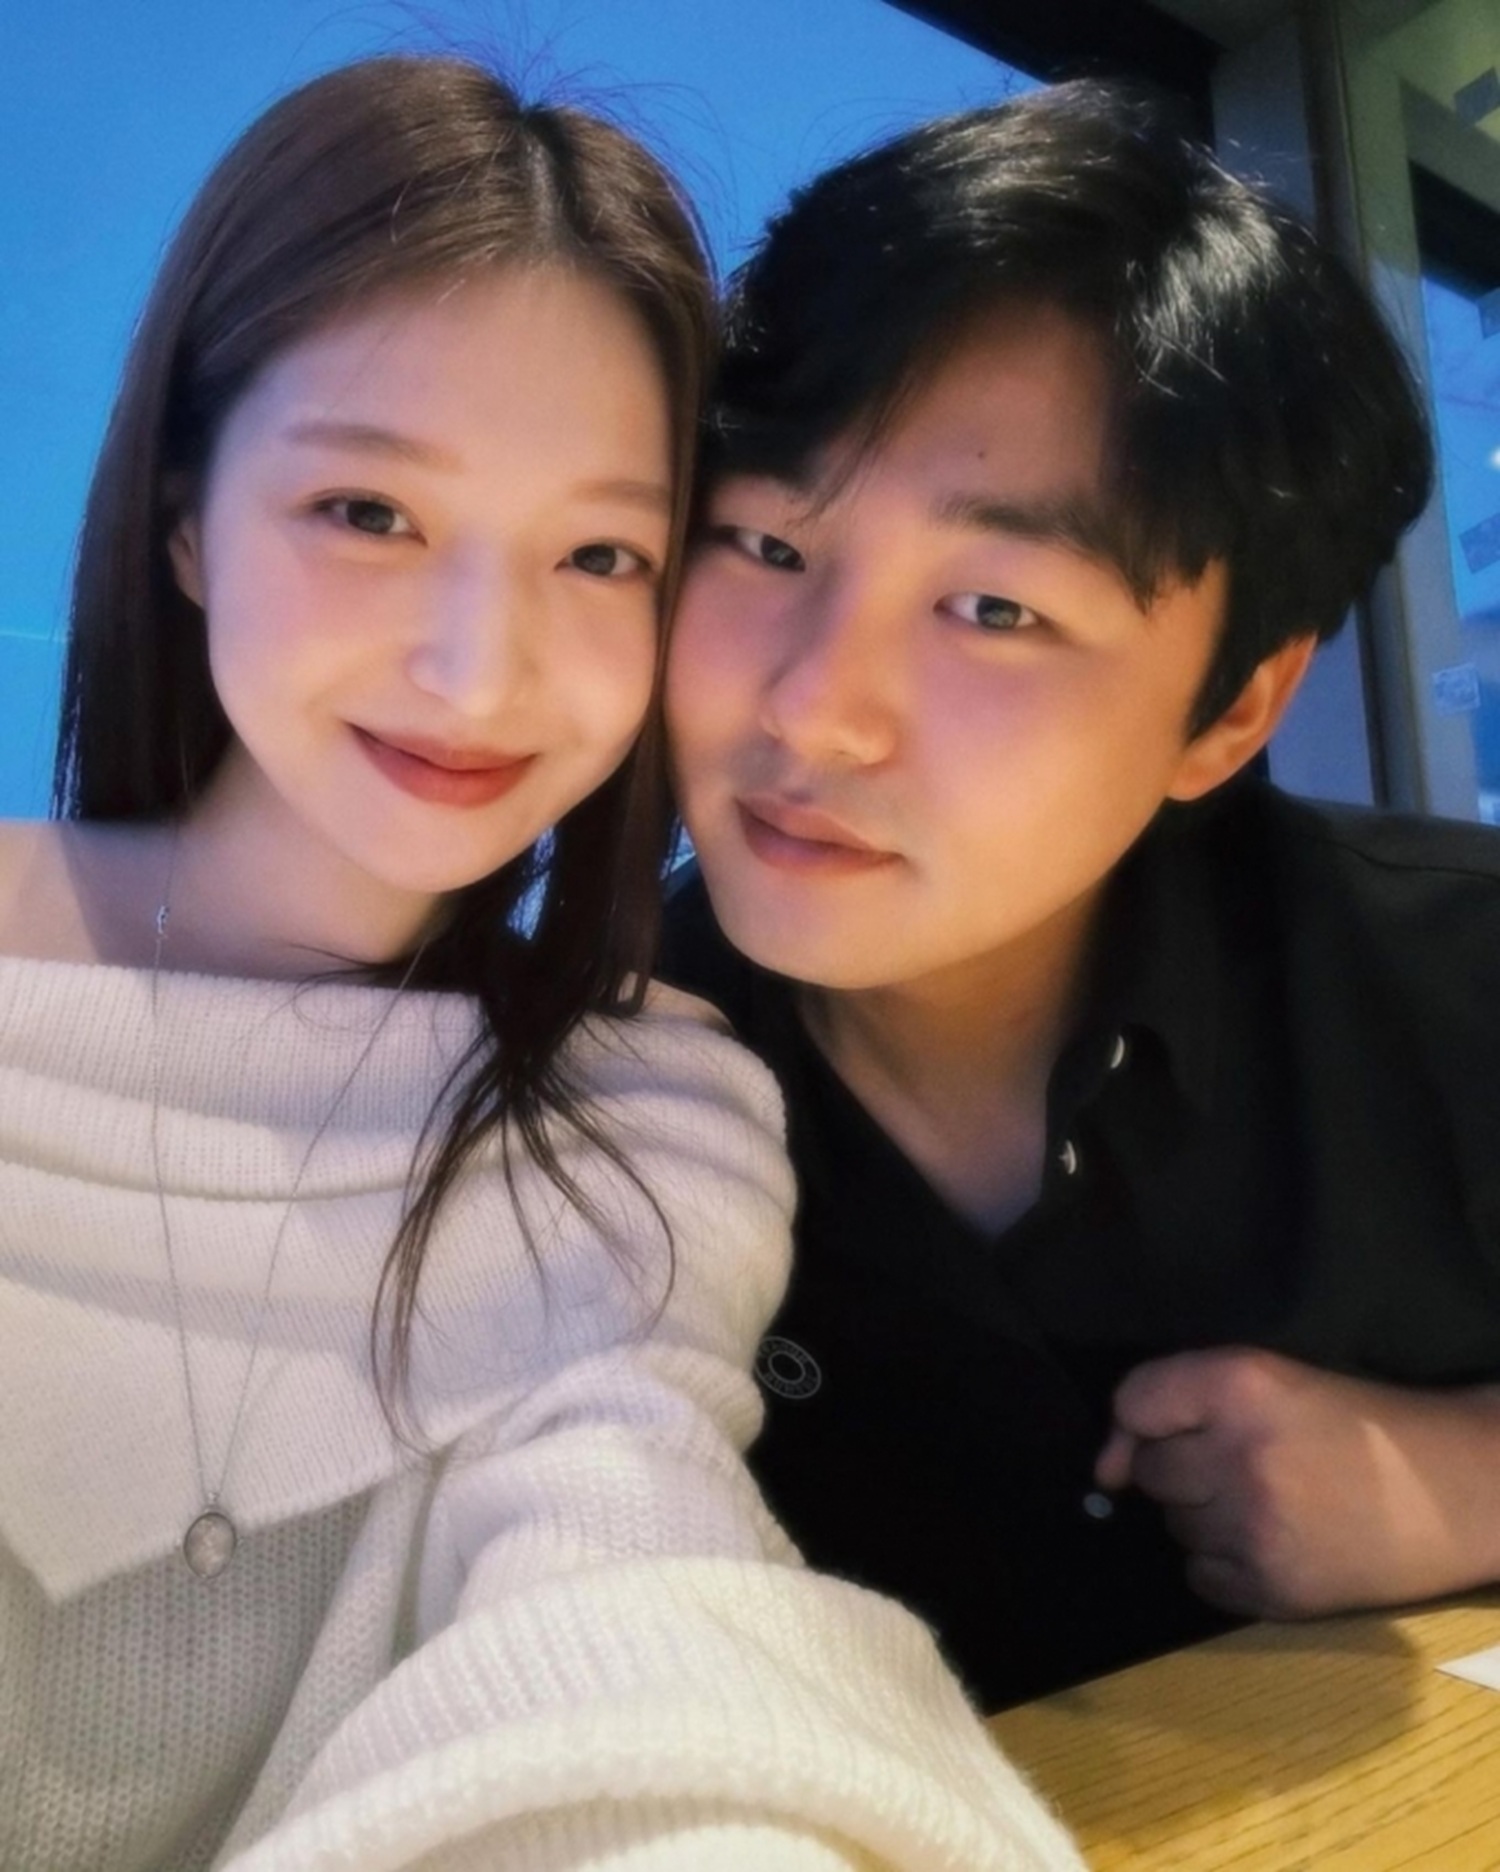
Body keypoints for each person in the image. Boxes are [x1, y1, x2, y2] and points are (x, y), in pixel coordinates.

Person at [0, 55, 1086, 1872]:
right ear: (186, 514)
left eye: (597, 553)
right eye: (369, 513)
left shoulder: (647, 1115)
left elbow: (636, 1582)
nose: (478, 670)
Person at [664, 77, 1500, 1714]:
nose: (813, 711)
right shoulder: (573, 1084)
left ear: (1234, 711)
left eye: (993, 608)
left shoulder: (1459, 985)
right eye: (766, 546)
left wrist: (1465, 1476)